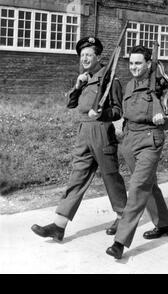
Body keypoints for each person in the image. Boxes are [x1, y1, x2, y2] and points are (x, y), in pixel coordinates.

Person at [31, 37, 127, 241]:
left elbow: (118, 111)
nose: (84, 58)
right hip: (84, 132)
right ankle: (59, 225)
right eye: (82, 55)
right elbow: (71, 104)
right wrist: (77, 85)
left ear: (98, 56)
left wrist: (102, 113)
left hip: (102, 131)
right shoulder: (85, 78)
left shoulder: (110, 79)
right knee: (77, 177)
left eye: (88, 55)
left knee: (111, 177)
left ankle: (123, 216)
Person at [106, 45, 168, 259]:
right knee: (149, 185)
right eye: (132, 63)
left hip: (149, 141)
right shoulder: (128, 86)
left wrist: (162, 119)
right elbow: (125, 115)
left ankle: (120, 242)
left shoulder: (160, 85)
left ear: (148, 64)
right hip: (129, 140)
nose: (134, 67)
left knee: (137, 188)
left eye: (139, 63)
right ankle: (165, 224)